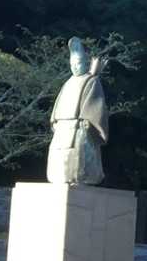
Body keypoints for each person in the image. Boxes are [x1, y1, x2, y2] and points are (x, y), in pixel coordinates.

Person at [46, 37, 109, 185]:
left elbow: (95, 105)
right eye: (72, 64)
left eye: (78, 63)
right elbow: (59, 104)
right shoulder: (68, 82)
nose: (75, 67)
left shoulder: (92, 80)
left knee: (79, 155)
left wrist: (88, 122)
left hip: (79, 126)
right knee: (58, 155)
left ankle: (80, 178)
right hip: (63, 127)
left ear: (86, 63)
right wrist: (55, 120)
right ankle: (59, 177)